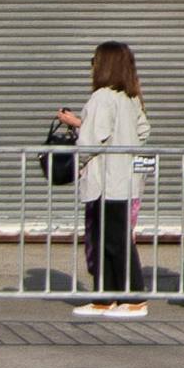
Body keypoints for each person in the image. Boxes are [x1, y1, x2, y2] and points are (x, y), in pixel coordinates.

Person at [63, 42, 150, 319]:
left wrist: (75, 164)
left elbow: (90, 141)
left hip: (105, 180)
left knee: (109, 239)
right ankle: (106, 297)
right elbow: (144, 130)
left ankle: (132, 297)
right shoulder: (131, 98)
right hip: (125, 178)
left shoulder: (102, 97)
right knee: (111, 238)